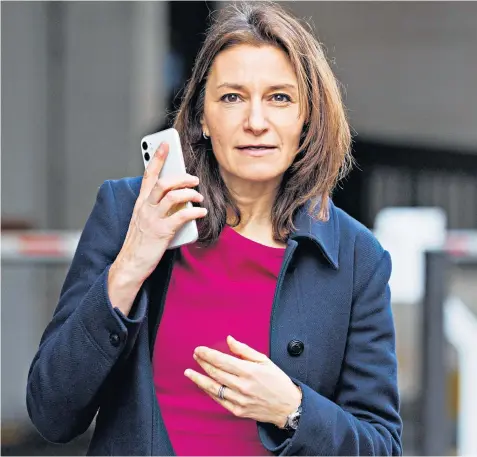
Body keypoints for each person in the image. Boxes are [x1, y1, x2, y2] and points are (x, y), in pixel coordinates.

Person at [26, 2, 402, 456]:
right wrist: (129, 267)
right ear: (203, 117)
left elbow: (381, 447)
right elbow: (52, 412)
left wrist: (293, 408)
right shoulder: (131, 211)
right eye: (232, 97)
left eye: (279, 97)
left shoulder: (357, 257)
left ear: (307, 119)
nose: (256, 122)